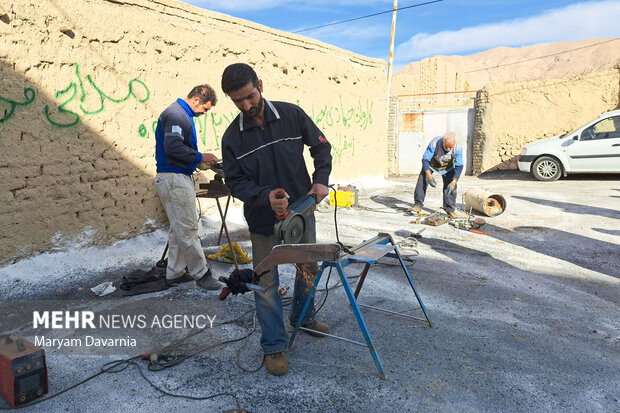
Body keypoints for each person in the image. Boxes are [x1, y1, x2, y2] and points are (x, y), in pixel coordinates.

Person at [220, 63, 332, 376]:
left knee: (307, 267)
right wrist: (264, 196)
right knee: (266, 282)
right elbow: (235, 182)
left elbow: (321, 147)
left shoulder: (292, 115)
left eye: (250, 96)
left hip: (301, 211)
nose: (246, 105)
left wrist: (321, 179)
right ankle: (274, 346)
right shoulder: (232, 138)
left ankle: (303, 317)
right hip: (261, 219)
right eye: (238, 101)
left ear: (261, 85)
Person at [154, 85, 222, 290]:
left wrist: (197, 161)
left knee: (179, 229)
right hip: (174, 179)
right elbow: (173, 147)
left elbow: (177, 149)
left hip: (176, 176)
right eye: (206, 109)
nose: (205, 113)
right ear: (196, 101)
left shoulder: (181, 115)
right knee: (189, 229)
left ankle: (174, 273)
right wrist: (201, 157)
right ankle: (201, 273)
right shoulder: (177, 115)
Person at [412, 132, 463, 219]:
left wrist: (454, 182)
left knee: (451, 187)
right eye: (446, 146)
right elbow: (425, 160)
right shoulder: (435, 143)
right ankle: (417, 205)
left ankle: (449, 209)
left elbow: (459, 166)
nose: (448, 149)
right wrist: (429, 176)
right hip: (433, 164)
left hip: (448, 167)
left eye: (450, 147)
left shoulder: (457, 148)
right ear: (443, 141)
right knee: (422, 179)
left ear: (454, 144)